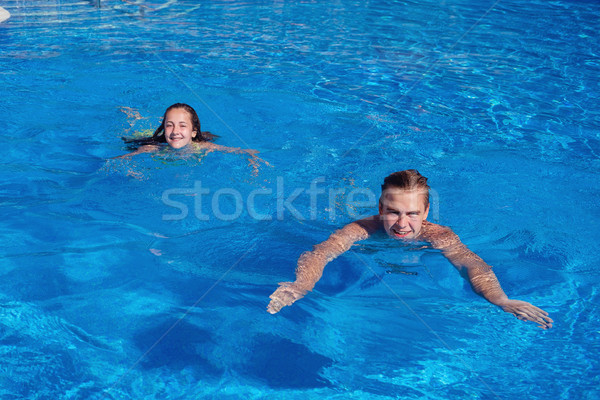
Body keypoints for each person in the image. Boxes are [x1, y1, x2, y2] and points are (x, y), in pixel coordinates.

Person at [267, 170, 553, 329]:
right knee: (341, 204)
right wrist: (301, 285)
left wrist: (501, 300)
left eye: (413, 214)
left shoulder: (438, 235)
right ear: (380, 209)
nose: (402, 224)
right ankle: (344, 188)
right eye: (392, 213)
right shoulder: (362, 229)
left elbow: (472, 265)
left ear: (426, 212)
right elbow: (320, 253)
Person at [115, 103, 267, 174]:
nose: (175, 131)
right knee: (134, 134)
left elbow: (248, 151)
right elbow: (120, 159)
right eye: (169, 125)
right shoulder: (151, 148)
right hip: (153, 139)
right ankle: (133, 117)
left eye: (182, 126)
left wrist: (254, 162)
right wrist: (132, 171)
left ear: (194, 132)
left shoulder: (203, 146)